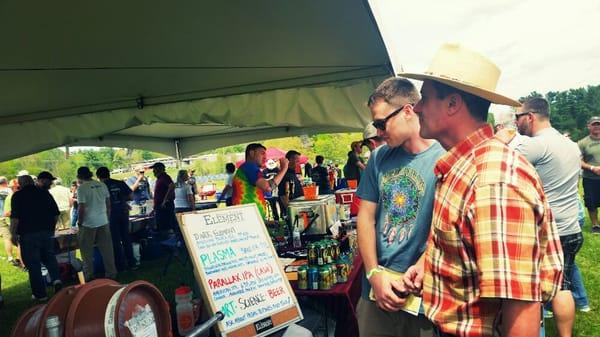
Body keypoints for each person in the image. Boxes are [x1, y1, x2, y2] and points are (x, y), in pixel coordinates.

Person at [401, 43, 563, 337]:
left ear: (452, 104)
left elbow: (521, 309)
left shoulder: (494, 181)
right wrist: (430, 264)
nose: (418, 108)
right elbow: (467, 244)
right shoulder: (464, 166)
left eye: (425, 98)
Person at [356, 77, 444, 337]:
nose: (378, 131)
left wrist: (423, 264)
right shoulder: (378, 158)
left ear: (407, 111)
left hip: (422, 295)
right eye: (375, 125)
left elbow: (448, 226)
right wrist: (373, 274)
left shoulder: (444, 157)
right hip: (375, 292)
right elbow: (365, 218)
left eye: (382, 123)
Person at [513, 97, 582, 337]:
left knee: (536, 290)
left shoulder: (536, 145)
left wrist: (502, 139)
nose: (516, 122)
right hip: (572, 227)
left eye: (517, 117)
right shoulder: (570, 145)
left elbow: (499, 160)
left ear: (529, 117)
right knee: (563, 285)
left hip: (549, 232)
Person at [10, 173, 62, 301]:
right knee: (50, 257)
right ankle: (56, 280)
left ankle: (41, 294)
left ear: (21, 184)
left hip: (28, 234)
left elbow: (15, 218)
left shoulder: (17, 196)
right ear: (32, 182)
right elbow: (56, 214)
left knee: (33, 264)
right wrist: (51, 228)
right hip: (46, 232)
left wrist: (13, 234)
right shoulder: (44, 193)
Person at [76, 166, 117, 281]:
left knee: (86, 252)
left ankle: (89, 275)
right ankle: (111, 273)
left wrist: (79, 222)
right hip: (103, 221)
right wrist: (107, 218)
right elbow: (108, 204)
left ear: (79, 177)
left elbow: (81, 208)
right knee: (107, 250)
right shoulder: (102, 185)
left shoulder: (82, 188)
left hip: (88, 223)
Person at [231, 143, 288, 219]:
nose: (265, 157)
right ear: (251, 153)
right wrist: (284, 168)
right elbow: (268, 187)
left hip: (249, 216)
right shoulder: (250, 167)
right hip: (249, 217)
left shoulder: (248, 168)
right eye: (262, 153)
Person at [96, 167, 136, 272]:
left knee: (116, 241)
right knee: (126, 238)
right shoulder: (120, 183)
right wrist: (122, 200)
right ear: (109, 174)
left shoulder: (101, 186)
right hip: (123, 212)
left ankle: (121, 266)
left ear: (98, 177)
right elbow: (131, 196)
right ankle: (132, 263)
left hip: (111, 215)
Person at [578, 116, 600, 233]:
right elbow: (578, 161)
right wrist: (592, 168)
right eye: (594, 124)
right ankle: (595, 225)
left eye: (598, 124)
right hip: (590, 178)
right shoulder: (582, 143)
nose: (597, 126)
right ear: (589, 126)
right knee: (591, 202)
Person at [149, 162, 178, 232]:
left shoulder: (164, 177)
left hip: (165, 207)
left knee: (165, 226)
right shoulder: (160, 178)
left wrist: (164, 201)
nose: (153, 171)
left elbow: (172, 186)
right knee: (161, 226)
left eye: (154, 169)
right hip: (160, 207)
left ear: (159, 169)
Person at [3, 179, 24, 268]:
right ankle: (23, 264)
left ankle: (23, 262)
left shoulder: (19, 196)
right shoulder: (11, 197)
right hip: (14, 223)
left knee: (22, 244)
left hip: (20, 222)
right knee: (20, 244)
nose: (19, 188)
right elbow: (7, 213)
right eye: (17, 187)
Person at [278, 150, 304, 217]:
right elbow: (282, 195)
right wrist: (290, 211)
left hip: (299, 207)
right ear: (290, 160)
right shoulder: (284, 174)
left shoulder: (292, 173)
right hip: (293, 211)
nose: (298, 163)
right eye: (297, 161)